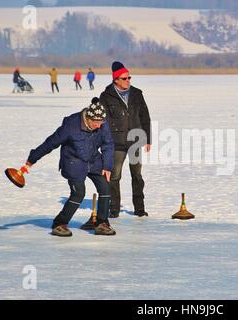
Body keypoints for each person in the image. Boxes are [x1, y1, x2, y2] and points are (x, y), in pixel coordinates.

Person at [24, 97, 116, 237]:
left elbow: (108, 144)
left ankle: (101, 223)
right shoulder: (71, 125)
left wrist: (107, 166)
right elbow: (51, 142)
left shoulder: (102, 123)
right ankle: (59, 224)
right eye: (96, 122)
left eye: (101, 122)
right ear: (88, 118)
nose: (99, 125)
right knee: (79, 193)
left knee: (105, 187)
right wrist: (32, 159)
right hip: (73, 162)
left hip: (93, 160)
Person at [98, 61, 151, 218]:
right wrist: (104, 142)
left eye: (129, 77)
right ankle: (114, 209)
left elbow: (145, 117)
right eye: (125, 78)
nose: (128, 80)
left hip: (135, 140)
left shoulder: (137, 94)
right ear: (116, 80)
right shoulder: (106, 96)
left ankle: (139, 208)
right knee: (114, 176)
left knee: (137, 175)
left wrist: (148, 138)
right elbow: (103, 121)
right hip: (117, 143)